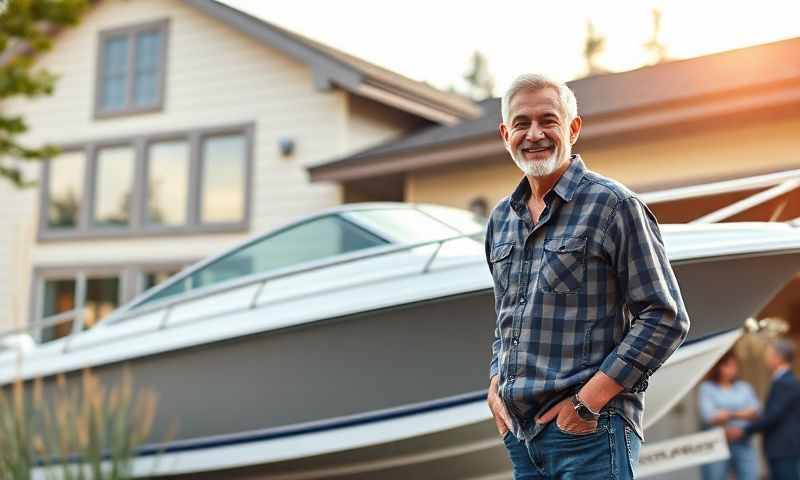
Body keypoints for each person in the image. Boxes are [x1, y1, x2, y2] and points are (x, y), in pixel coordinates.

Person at [484, 73, 690, 480]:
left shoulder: (613, 206)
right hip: (522, 438)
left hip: (589, 432)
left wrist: (586, 404)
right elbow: (508, 319)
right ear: (506, 133)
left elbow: (665, 317)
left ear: (574, 128)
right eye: (522, 123)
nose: (535, 133)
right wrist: (496, 385)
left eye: (549, 120)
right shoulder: (500, 221)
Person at [727, 338, 800, 480]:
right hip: (781, 447)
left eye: (768, 354)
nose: (766, 359)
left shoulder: (785, 382)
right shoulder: (783, 380)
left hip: (783, 447)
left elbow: (773, 415)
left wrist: (744, 430)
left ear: (777, 357)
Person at [697, 351, 760, 480]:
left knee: (749, 475)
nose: (732, 370)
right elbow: (709, 416)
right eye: (728, 366)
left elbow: (755, 412)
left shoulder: (744, 387)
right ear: (718, 367)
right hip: (717, 442)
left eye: (734, 366)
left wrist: (727, 414)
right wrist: (741, 413)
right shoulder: (707, 388)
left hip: (742, 439)